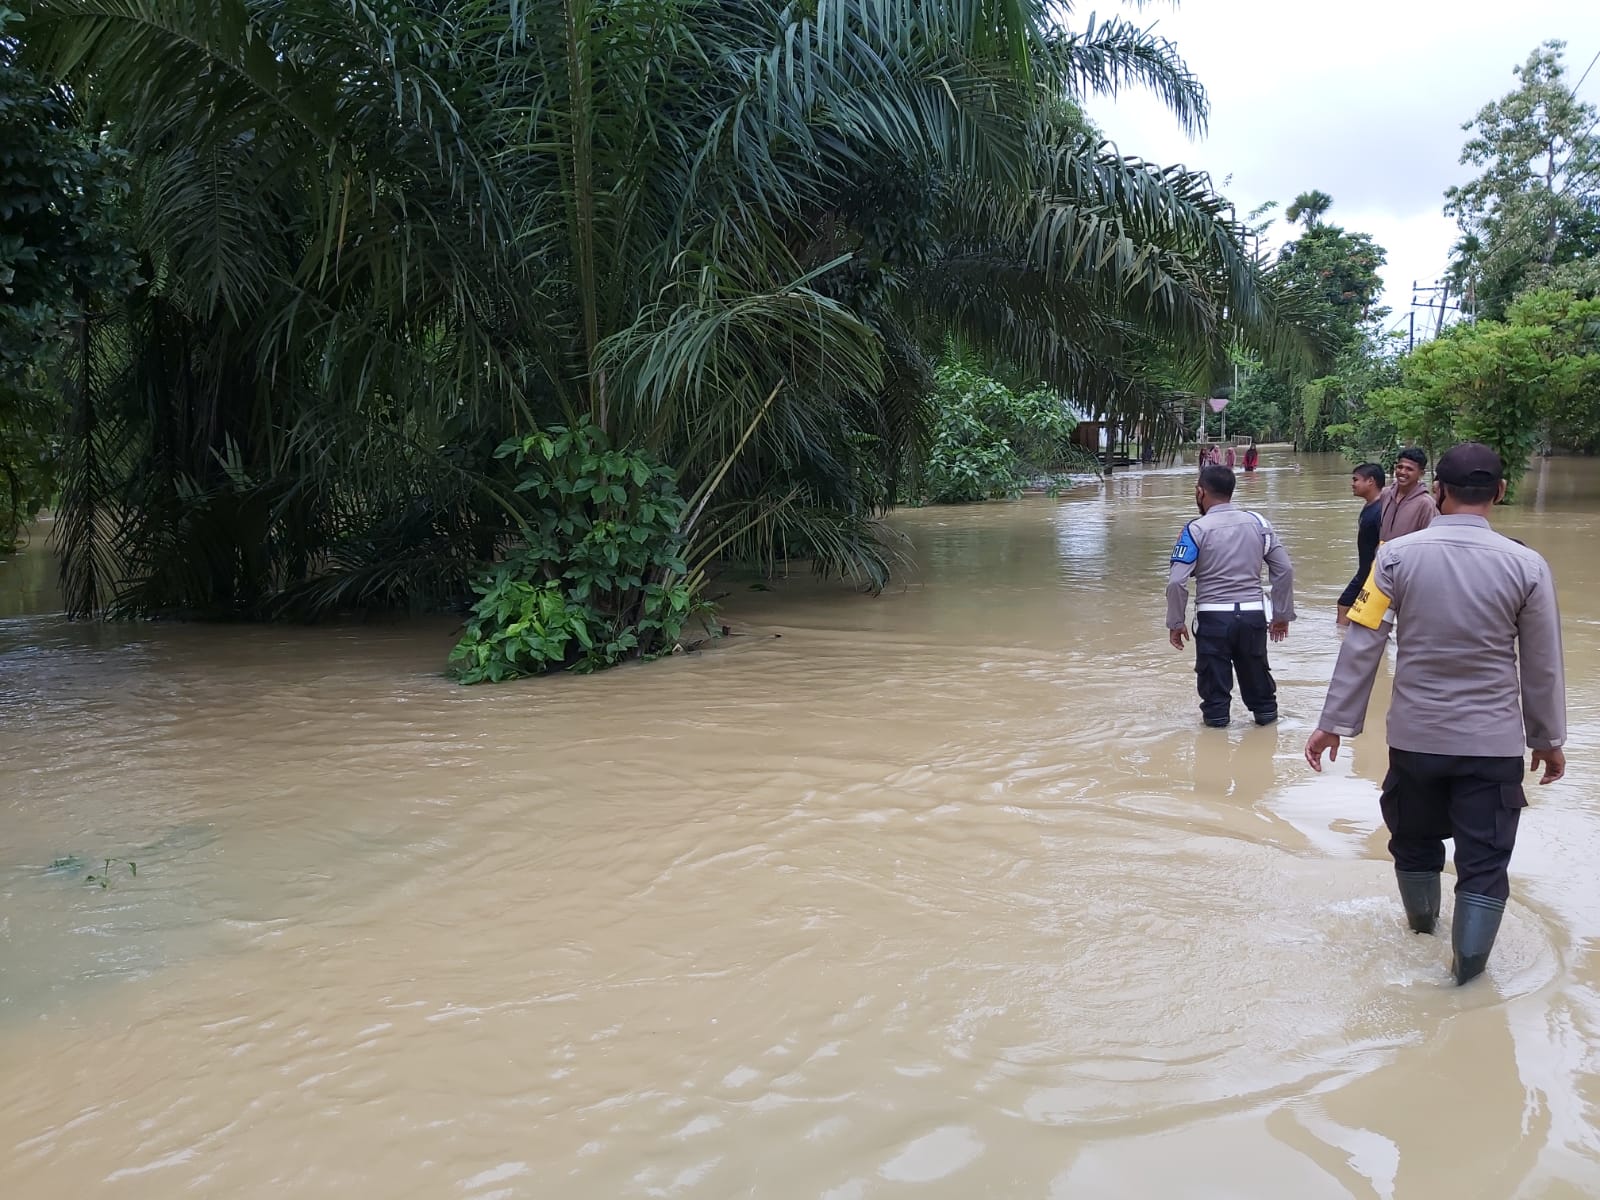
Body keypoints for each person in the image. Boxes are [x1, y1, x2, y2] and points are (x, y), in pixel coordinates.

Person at [1304, 443, 1567, 985]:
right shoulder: (1528, 566)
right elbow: (1542, 664)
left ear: (1439, 491)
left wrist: (1334, 723)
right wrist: (1547, 738)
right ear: (1499, 492)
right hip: (1492, 746)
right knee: (1485, 863)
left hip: (1415, 740)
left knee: (1415, 843)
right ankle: (1465, 981)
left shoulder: (1394, 558)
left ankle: (1420, 934)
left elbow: (1362, 643)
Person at [1167, 464, 1296, 728]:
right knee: (1260, 685)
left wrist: (1176, 622)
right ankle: (1267, 740)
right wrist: (1282, 615)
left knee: (1214, 695)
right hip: (1253, 616)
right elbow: (1284, 570)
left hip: (1213, 619)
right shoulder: (1259, 523)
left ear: (1200, 492)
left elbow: (1177, 582)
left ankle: (1215, 750)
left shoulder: (1195, 530)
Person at [1336, 463, 1385, 626]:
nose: (1352, 483)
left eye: (1355, 479)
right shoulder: (1370, 506)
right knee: (1345, 606)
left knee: (1370, 621)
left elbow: (1384, 543)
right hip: (1364, 573)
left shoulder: (1381, 510)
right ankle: (1344, 643)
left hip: (1374, 575)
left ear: (1370, 481)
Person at [1380, 447, 1437, 542]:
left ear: (1421, 473)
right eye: (1400, 467)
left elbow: (1430, 539)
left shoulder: (1426, 503)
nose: (1402, 472)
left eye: (1409, 469)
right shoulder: (1386, 494)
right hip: (1384, 554)